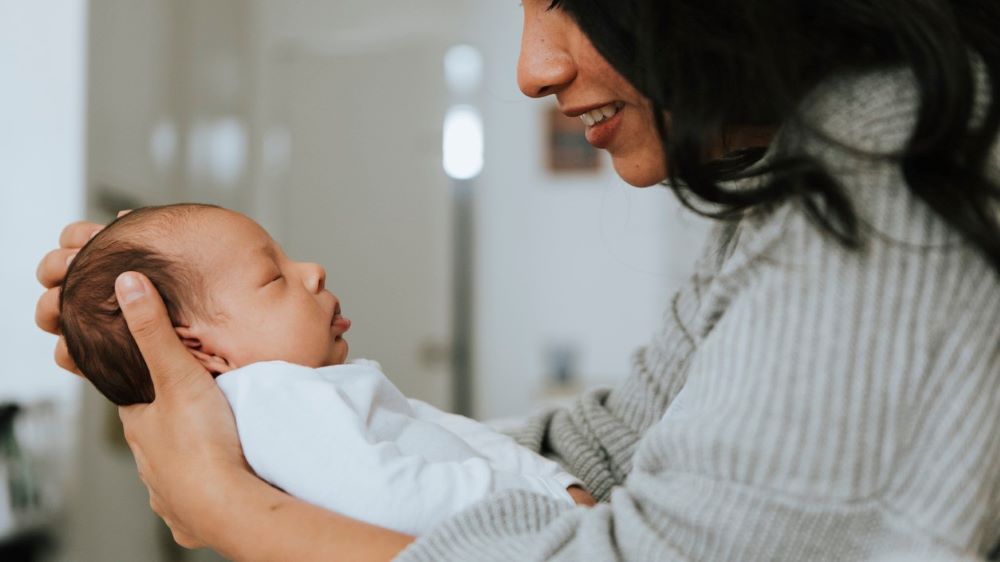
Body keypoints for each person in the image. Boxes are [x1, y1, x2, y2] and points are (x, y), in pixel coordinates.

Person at [35, 0, 1000, 560]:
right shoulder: (803, 174)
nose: (532, 69)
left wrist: (232, 508)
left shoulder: (887, 164)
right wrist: (195, 400)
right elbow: (611, 448)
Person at [58, 203, 590, 536]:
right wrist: (549, 502)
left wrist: (553, 482)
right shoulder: (269, 400)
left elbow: (443, 432)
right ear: (204, 351)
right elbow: (391, 503)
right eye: (273, 277)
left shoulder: (304, 389)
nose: (313, 271)